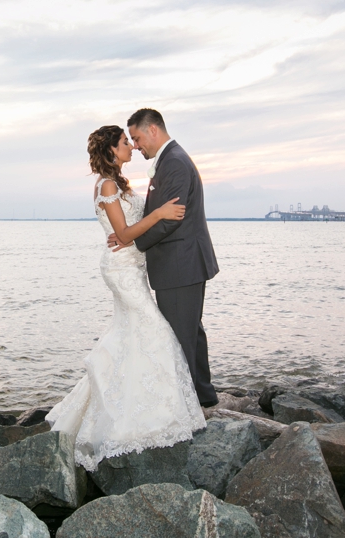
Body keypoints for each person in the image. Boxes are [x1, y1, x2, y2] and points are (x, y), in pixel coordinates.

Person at [45, 125, 206, 471]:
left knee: (132, 336)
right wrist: (159, 214)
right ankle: (150, 414)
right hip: (122, 271)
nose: (131, 147)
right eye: (124, 143)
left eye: (131, 141)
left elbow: (127, 232)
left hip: (132, 267)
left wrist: (141, 228)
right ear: (110, 150)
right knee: (156, 333)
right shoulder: (106, 184)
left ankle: (134, 402)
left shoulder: (118, 183)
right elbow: (123, 233)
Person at [113, 108, 219, 407]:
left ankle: (185, 408)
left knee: (180, 339)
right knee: (191, 332)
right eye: (130, 140)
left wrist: (131, 240)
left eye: (136, 138)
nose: (135, 145)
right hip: (184, 262)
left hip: (179, 263)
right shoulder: (172, 159)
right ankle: (203, 397)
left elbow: (170, 219)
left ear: (153, 131)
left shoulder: (173, 162)